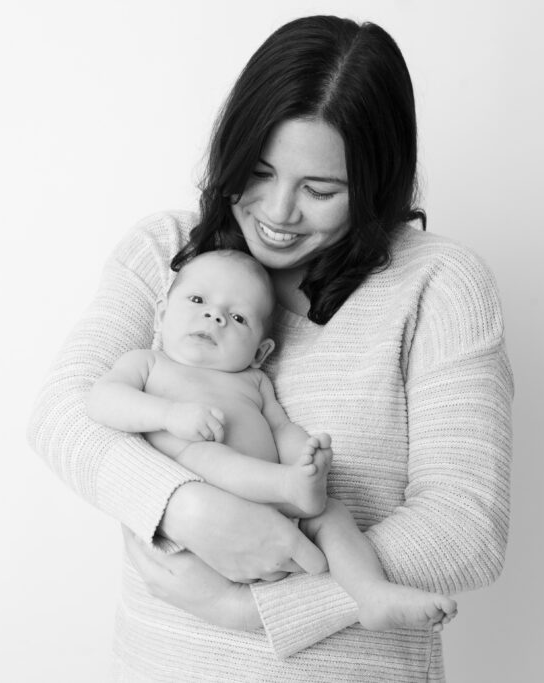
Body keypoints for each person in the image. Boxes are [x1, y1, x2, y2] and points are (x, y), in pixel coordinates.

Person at [29, 15, 512, 681]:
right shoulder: (167, 255)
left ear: (376, 183)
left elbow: (467, 527)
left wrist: (254, 606)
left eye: (321, 191)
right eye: (258, 171)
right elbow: (63, 412)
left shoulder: (439, 286)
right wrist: (188, 507)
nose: (279, 212)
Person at [86, 249, 458, 633]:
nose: (214, 317)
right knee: (205, 455)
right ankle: (291, 487)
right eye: (197, 300)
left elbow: (281, 428)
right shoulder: (148, 363)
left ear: (260, 352)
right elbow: (101, 400)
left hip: (275, 510)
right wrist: (168, 415)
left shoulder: (254, 381)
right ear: (162, 314)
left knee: (331, 514)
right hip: (206, 507)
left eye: (239, 318)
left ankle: (371, 593)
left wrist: (305, 458)